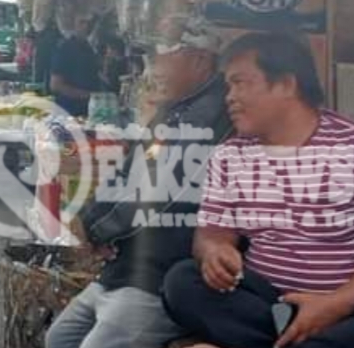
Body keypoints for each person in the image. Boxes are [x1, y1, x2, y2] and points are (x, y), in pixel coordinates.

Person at [162, 32, 354, 348]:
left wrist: (334, 305)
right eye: (228, 86)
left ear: (287, 84)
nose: (230, 97)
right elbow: (211, 234)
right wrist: (215, 252)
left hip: (353, 310)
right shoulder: (230, 156)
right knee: (182, 282)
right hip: (266, 307)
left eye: (240, 83)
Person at [46, 18, 232, 348]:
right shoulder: (176, 108)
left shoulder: (207, 116)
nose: (153, 69)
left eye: (162, 58)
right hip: (126, 267)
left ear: (200, 60)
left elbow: (155, 189)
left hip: (155, 277)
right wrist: (91, 219)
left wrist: (96, 229)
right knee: (59, 338)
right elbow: (125, 171)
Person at [49, 14, 101, 117]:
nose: (86, 26)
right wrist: (86, 95)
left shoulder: (89, 48)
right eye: (82, 22)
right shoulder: (65, 48)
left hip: (88, 111)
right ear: (73, 25)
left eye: (89, 23)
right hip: (69, 112)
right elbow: (55, 85)